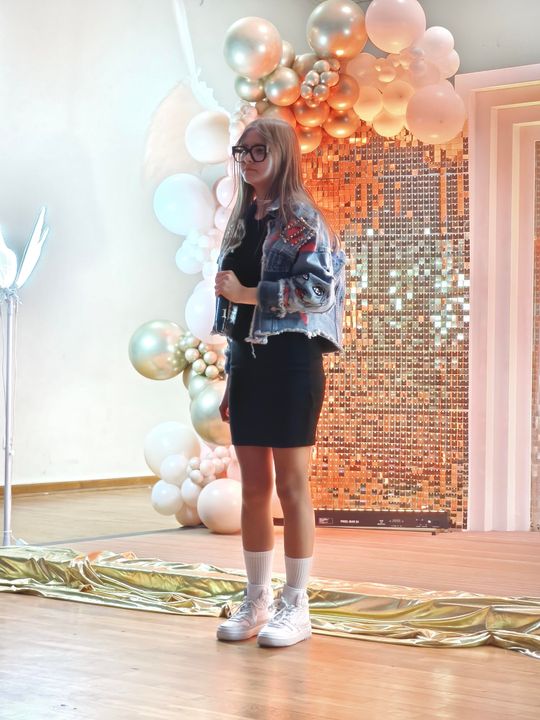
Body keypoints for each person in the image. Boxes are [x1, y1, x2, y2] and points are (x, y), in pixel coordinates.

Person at [212, 117, 345, 648]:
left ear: (282, 154)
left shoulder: (302, 219)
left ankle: (296, 604)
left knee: (291, 487)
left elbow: (318, 292)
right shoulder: (242, 220)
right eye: (241, 151)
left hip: (291, 361)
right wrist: (230, 375)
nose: (246, 161)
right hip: (247, 363)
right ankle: (257, 600)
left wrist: (250, 293)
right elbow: (231, 313)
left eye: (257, 151)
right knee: (253, 488)